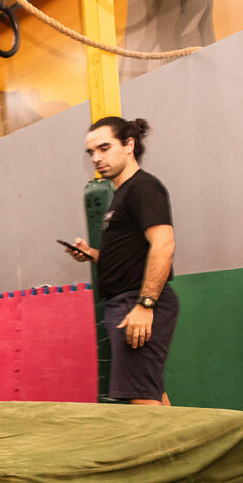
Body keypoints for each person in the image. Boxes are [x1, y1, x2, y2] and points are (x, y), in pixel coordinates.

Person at [67, 116, 178, 405]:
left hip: (137, 302)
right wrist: (92, 254)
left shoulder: (143, 187)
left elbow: (164, 245)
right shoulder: (121, 194)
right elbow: (131, 254)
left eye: (104, 148)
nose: (96, 158)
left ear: (129, 145)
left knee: (141, 399)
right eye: (91, 152)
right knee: (149, 391)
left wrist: (145, 305)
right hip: (127, 302)